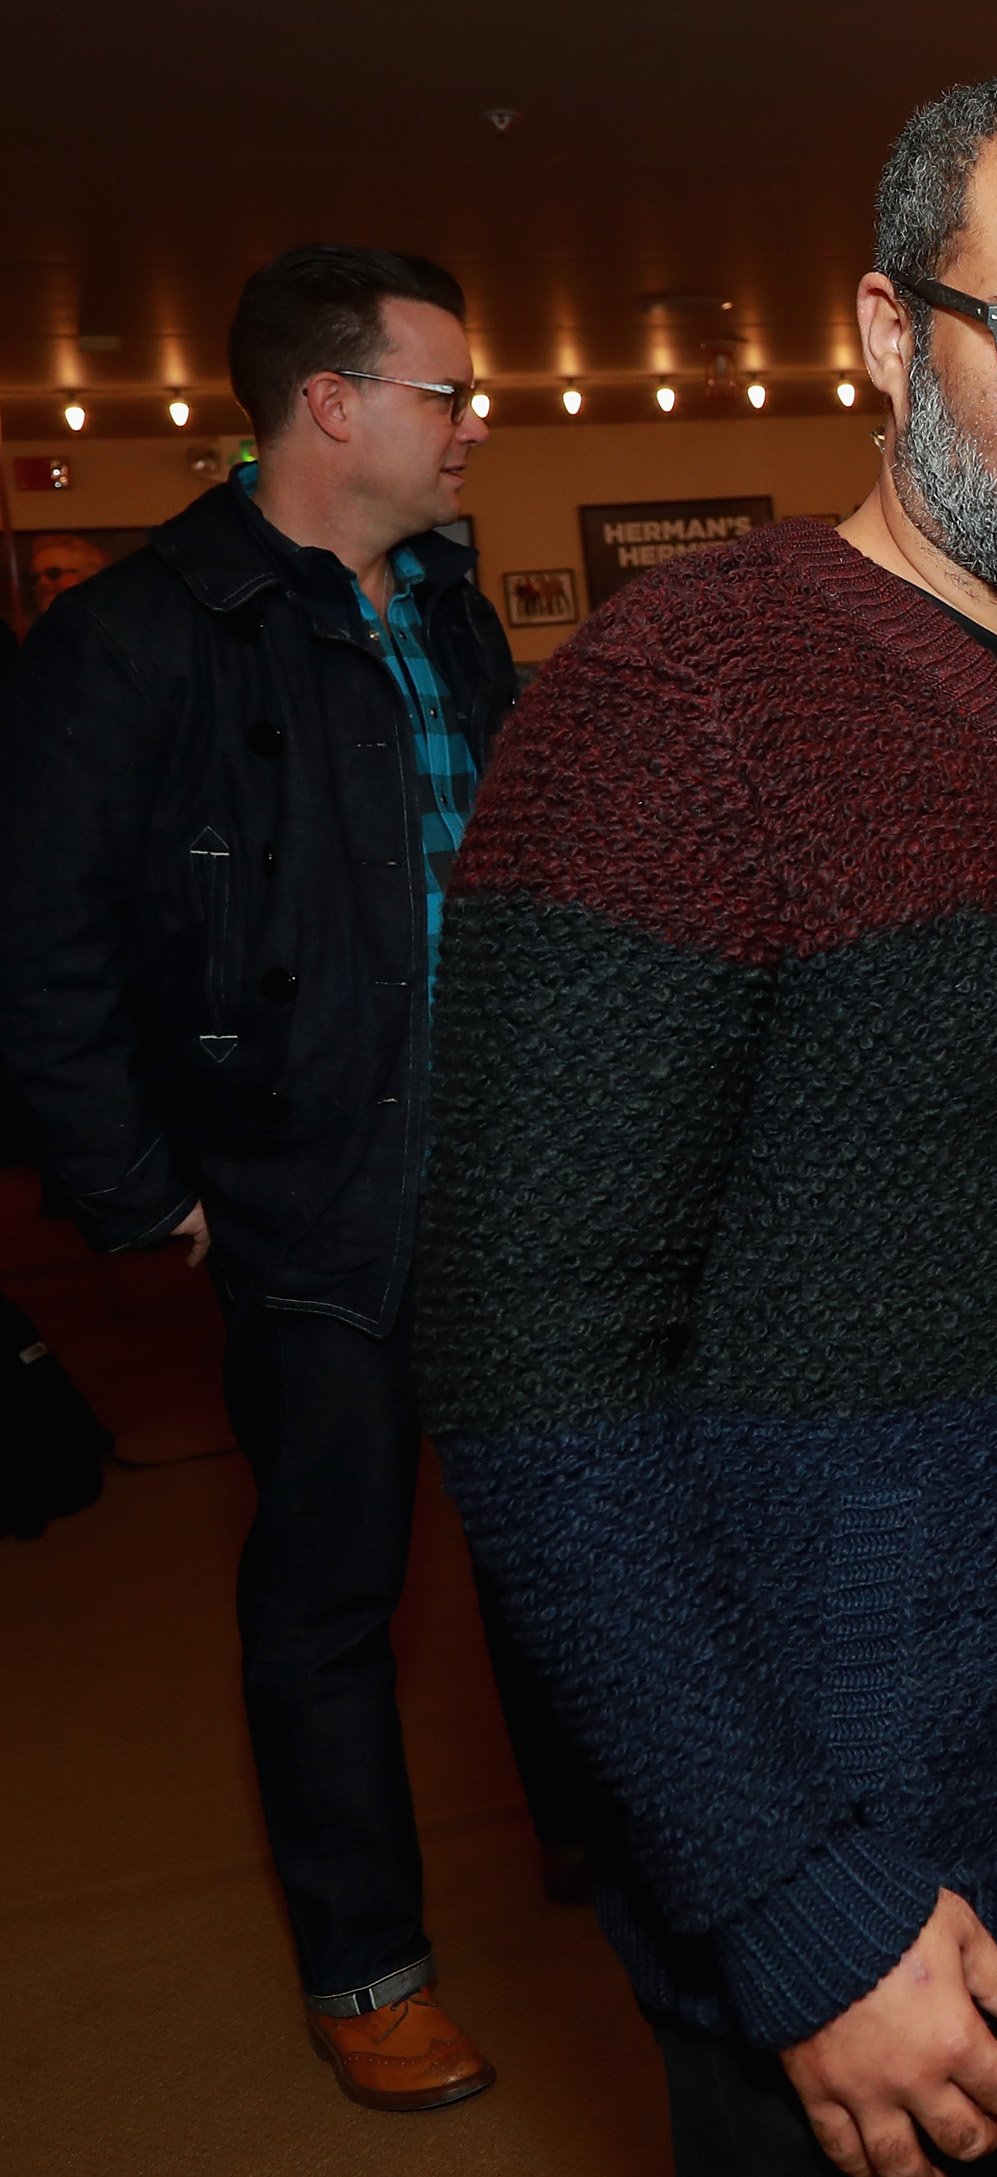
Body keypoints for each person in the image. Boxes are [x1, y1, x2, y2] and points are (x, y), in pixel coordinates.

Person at [416, 72, 997, 2177]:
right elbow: (532, 1364)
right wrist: (789, 1902)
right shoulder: (677, 706)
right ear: (895, 336)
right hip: (886, 1918)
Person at [0, 245, 516, 2109]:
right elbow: (40, 956)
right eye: (447, 391)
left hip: (514, 1190)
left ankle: (609, 1876)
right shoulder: (133, 640)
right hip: (310, 1201)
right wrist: (148, 1193)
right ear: (333, 405)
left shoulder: (451, 613)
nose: (475, 424)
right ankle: (366, 1962)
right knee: (327, 1603)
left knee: (569, 1555)